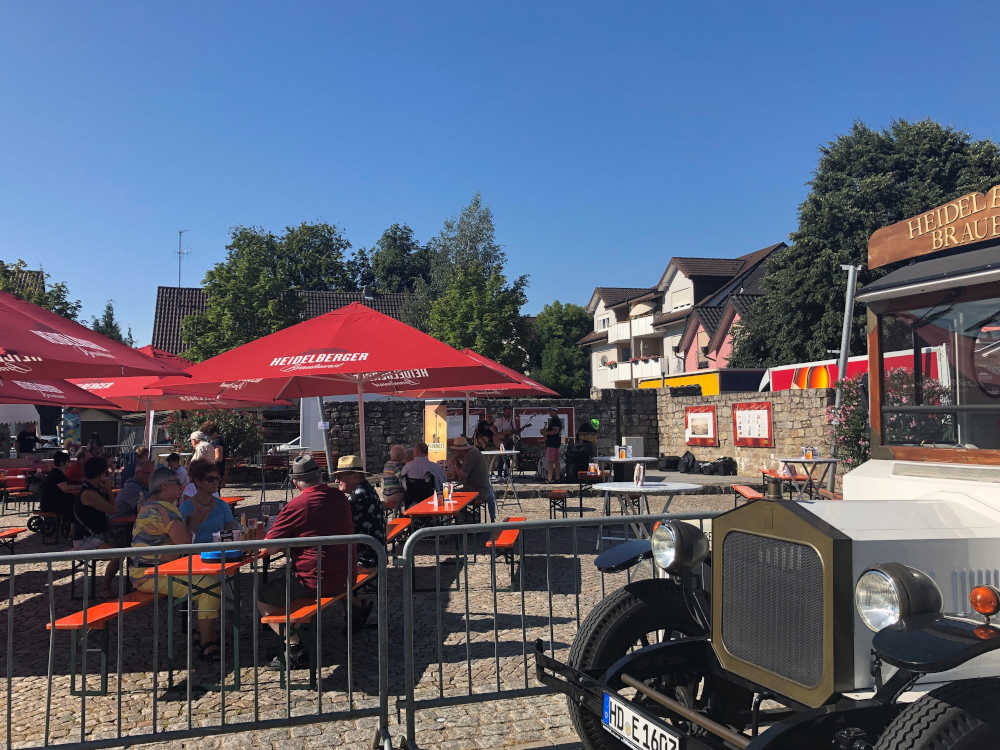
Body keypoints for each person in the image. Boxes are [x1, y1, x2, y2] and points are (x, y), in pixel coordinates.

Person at [257, 455, 355, 669]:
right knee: (283, 586)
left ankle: (293, 646)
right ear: (319, 476)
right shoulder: (339, 497)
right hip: (346, 574)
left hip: (316, 580)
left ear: (295, 482)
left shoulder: (298, 504)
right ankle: (294, 633)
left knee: (262, 595)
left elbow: (268, 548)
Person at [131, 467, 222, 659]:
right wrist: (196, 521)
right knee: (209, 586)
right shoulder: (165, 510)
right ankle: (208, 642)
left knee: (207, 582)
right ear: (165, 486)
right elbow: (185, 545)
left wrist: (193, 522)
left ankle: (204, 631)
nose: (182, 486)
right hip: (150, 575)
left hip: (146, 572)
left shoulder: (150, 506)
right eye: (178, 483)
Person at [73, 456, 118, 595]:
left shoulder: (92, 489)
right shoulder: (89, 493)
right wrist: (109, 490)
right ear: (100, 474)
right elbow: (113, 510)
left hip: (94, 536)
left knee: (124, 545)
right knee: (118, 555)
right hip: (85, 540)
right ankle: (106, 588)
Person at [333, 455, 386, 569]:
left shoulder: (358, 496)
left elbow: (338, 526)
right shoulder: (367, 489)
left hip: (365, 559)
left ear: (355, 476)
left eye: (339, 476)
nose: (336, 480)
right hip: (375, 553)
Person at [178, 459, 234, 543]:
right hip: (194, 554)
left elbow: (229, 534)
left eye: (217, 478)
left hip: (219, 553)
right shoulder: (185, 508)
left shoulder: (223, 506)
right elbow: (181, 540)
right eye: (210, 479)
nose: (215, 482)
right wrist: (195, 521)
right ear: (198, 481)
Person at [448, 435, 494, 522]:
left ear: (460, 450)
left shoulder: (471, 455)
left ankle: (463, 521)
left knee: (451, 497)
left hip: (478, 491)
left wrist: (454, 464)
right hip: (476, 488)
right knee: (452, 495)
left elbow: (463, 476)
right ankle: (463, 519)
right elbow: (461, 476)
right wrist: (457, 462)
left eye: (456, 451)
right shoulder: (472, 453)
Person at [39, 451, 81, 526]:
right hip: (51, 506)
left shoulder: (56, 472)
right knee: (76, 503)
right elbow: (65, 488)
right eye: (68, 461)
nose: (70, 463)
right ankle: (74, 528)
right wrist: (81, 486)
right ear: (62, 463)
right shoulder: (57, 474)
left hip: (49, 504)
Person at [200, 421, 228, 487]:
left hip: (216, 470)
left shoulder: (217, 441)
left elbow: (218, 457)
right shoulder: (219, 439)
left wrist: (207, 464)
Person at [381, 444, 406, 513]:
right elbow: (402, 479)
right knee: (410, 495)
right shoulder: (397, 465)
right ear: (399, 456)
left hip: (386, 495)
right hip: (395, 495)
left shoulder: (387, 464)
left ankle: (397, 514)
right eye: (403, 454)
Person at [543, 407, 564, 483]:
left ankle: (549, 479)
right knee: (556, 462)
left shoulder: (555, 420)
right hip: (556, 443)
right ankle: (557, 478)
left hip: (552, 444)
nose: (549, 413)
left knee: (550, 462)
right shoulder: (556, 420)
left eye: (550, 411)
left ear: (554, 412)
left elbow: (555, 431)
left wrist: (546, 433)